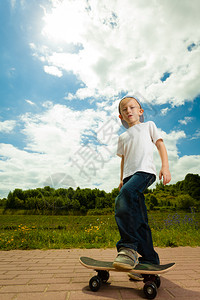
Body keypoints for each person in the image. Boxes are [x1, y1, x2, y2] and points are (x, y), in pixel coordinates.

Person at [113, 96, 171, 271]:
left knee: (122, 199)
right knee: (140, 220)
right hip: (130, 177)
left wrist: (165, 167)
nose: (128, 111)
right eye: (124, 109)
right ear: (120, 116)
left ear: (140, 111)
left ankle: (128, 247)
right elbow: (123, 160)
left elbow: (160, 145)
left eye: (132, 107)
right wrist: (122, 179)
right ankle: (150, 260)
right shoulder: (122, 137)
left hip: (145, 172)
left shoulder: (149, 126)